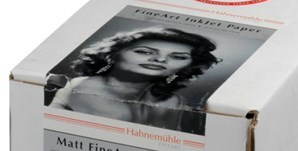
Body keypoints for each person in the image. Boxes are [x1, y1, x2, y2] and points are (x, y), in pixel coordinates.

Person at [46, 27, 220, 132]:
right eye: (144, 52)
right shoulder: (86, 87)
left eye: (178, 57)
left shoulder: (172, 101)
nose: (160, 60)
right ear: (113, 54)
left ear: (189, 65)